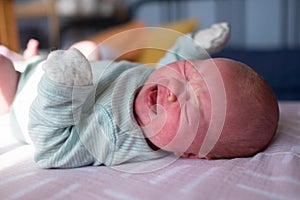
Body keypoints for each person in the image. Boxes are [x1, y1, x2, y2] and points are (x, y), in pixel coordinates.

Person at [0, 23, 279, 168]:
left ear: (192, 153)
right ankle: (29, 59)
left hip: (21, 97)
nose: (174, 91)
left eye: (192, 106)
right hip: (55, 69)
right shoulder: (154, 83)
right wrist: (193, 46)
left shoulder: (116, 139)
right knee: (87, 48)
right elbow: (168, 62)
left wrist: (59, 89)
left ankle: (21, 63)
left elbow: (51, 150)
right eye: (187, 72)